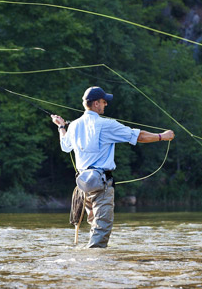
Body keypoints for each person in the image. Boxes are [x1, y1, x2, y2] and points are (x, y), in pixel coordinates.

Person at [51, 86, 175, 248]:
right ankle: (95, 264)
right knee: (102, 228)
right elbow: (138, 136)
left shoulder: (73, 125)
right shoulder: (106, 124)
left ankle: (88, 263)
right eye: (103, 102)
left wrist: (61, 127)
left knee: (95, 225)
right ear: (96, 104)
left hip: (84, 186)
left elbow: (65, 146)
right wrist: (162, 136)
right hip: (101, 183)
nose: (106, 105)